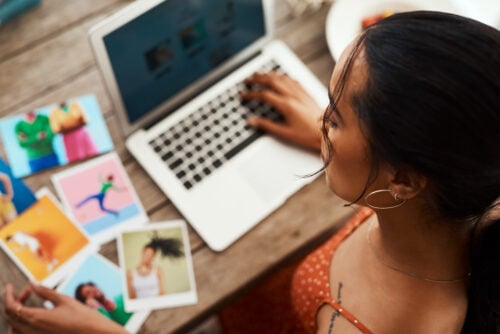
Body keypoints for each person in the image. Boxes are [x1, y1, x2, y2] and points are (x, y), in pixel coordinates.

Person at [3, 11, 499, 334]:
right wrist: (330, 139)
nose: (321, 117)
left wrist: (103, 333)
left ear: (404, 180)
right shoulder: (474, 194)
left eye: (337, 115)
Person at [126, 234, 184, 299]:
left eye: (151, 255)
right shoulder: (130, 273)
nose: (148, 257)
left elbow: (162, 292)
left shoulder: (158, 270)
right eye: (147, 254)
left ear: (153, 257)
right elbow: (132, 297)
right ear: (142, 252)